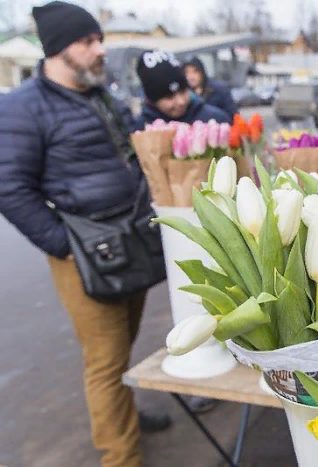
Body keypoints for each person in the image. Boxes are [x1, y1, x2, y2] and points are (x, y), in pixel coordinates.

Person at [0, 2, 170, 466]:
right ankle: (121, 455)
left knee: (125, 345)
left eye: (100, 39)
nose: (100, 50)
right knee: (106, 361)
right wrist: (63, 246)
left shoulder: (101, 96)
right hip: (83, 253)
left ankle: (125, 415)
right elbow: (10, 188)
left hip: (127, 241)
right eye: (88, 41)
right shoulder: (22, 108)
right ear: (58, 49)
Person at [134, 49, 229, 130]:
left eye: (183, 91)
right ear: (152, 100)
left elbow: (234, 151)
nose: (181, 102)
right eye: (169, 97)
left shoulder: (216, 121)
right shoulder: (141, 130)